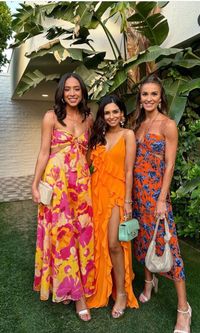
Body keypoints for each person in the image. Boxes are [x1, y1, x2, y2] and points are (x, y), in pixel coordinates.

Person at [31, 72, 95, 321]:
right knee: (63, 236)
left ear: (82, 92)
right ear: (61, 92)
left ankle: (80, 286)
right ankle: (75, 294)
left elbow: (89, 154)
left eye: (76, 89)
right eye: (67, 89)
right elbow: (44, 152)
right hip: (57, 185)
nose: (72, 93)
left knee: (83, 234)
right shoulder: (51, 117)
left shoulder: (88, 119)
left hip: (80, 185)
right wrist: (35, 185)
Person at [132, 74, 192, 333]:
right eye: (145, 94)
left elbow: (169, 166)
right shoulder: (137, 125)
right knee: (144, 240)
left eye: (153, 94)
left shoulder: (167, 125)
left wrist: (161, 199)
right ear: (140, 97)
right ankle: (149, 283)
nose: (148, 99)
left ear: (160, 97)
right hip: (137, 195)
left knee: (170, 248)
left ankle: (183, 309)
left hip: (157, 197)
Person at [87, 95, 139, 318]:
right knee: (99, 243)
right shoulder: (98, 136)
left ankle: (121, 293)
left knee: (114, 243)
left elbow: (129, 171)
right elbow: (88, 164)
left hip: (118, 195)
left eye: (115, 112)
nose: (111, 116)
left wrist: (128, 201)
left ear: (122, 114)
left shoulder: (128, 135)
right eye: (107, 113)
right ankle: (103, 287)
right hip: (97, 193)